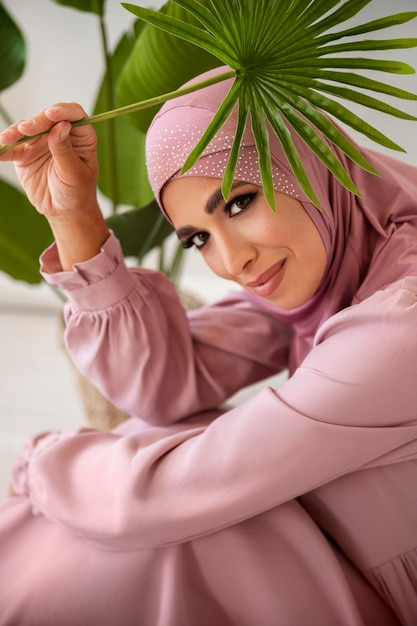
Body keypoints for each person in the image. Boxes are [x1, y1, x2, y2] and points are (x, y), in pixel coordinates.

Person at [0, 65, 416, 625]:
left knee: (145, 542)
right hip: (336, 550)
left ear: (311, 163)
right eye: (198, 238)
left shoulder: (400, 325)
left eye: (240, 203)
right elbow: (168, 385)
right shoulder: (337, 263)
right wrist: (75, 218)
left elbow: (170, 493)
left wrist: (42, 461)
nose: (231, 262)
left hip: (391, 594)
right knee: (152, 458)